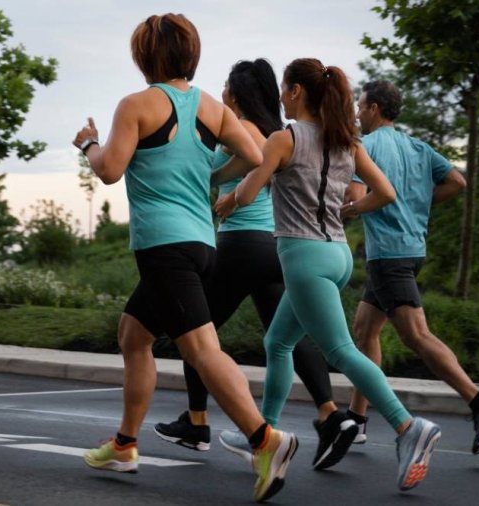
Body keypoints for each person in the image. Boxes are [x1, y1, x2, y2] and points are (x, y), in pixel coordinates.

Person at [71, 14, 297, 502]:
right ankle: (126, 444)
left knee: (200, 349)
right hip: (201, 242)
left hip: (164, 247)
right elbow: (256, 156)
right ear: (189, 55)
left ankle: (266, 440)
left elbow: (110, 170)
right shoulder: (212, 108)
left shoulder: (136, 105)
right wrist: (212, 177)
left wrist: (88, 143)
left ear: (144, 56)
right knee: (134, 335)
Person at [215, 58, 441, 492]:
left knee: (340, 350)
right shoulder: (345, 140)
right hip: (338, 255)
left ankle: (408, 427)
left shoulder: (285, 138)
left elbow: (246, 189)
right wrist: (349, 210)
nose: (280, 96)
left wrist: (229, 201)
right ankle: (265, 434)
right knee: (277, 342)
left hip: (303, 256)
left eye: (284, 88)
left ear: (297, 91)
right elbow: (386, 192)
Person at [152, 58, 355, 472]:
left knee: (195, 331)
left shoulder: (243, 130)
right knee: (287, 338)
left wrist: (213, 178)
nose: (222, 92)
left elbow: (230, 165)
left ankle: (196, 422)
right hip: (274, 249)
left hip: (242, 245)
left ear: (237, 93)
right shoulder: (275, 130)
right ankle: (330, 414)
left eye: (227, 87)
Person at [345, 80, 479, 454]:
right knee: (364, 330)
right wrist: (418, 203)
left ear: (373, 109)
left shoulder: (366, 147)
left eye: (360, 106)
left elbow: (354, 197)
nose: (356, 113)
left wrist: (345, 208)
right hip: (411, 250)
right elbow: (456, 181)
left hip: (389, 254)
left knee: (416, 336)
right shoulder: (417, 146)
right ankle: (357, 418)